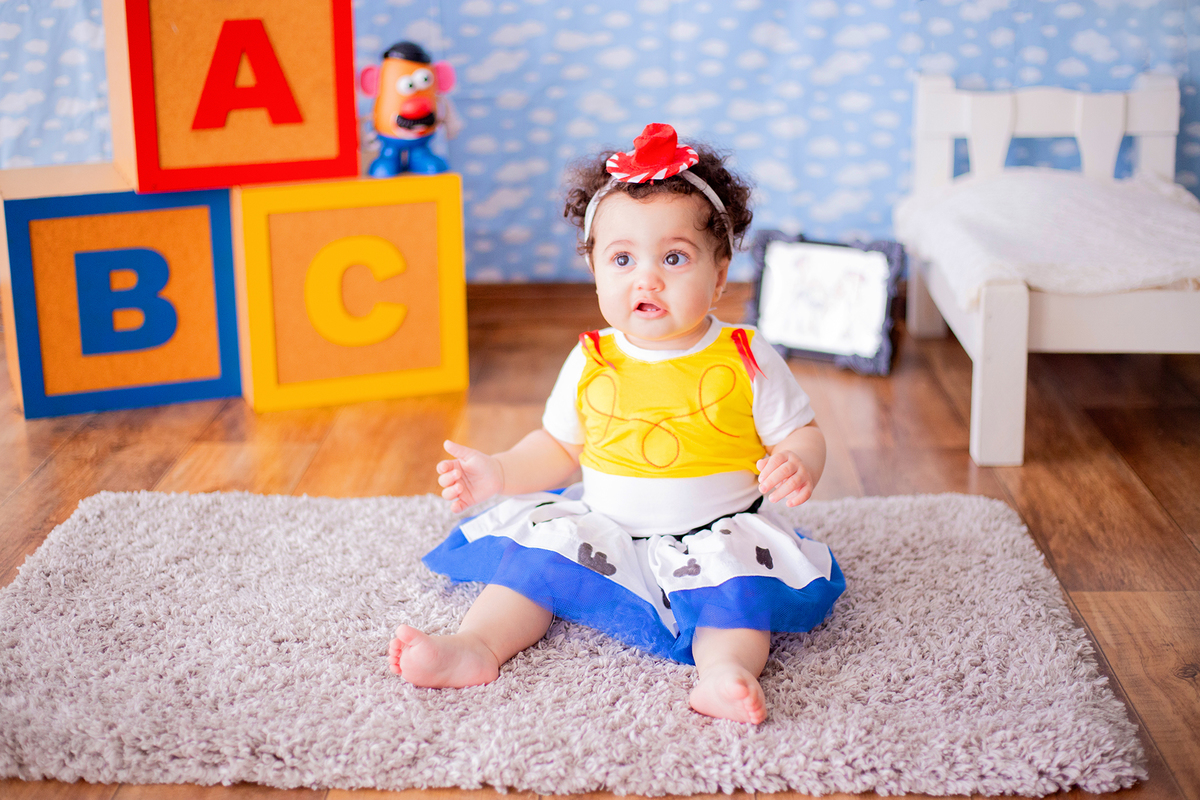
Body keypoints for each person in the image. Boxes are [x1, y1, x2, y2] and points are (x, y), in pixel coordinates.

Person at [389, 123, 844, 725]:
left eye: (674, 257)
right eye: (622, 259)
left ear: (719, 274)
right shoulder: (592, 358)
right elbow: (557, 446)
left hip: (716, 531)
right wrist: (497, 472)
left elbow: (802, 431)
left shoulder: (745, 355)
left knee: (736, 603)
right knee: (530, 569)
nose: (646, 278)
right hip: (605, 527)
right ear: (596, 270)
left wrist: (799, 460)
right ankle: (474, 647)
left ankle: (725, 674)